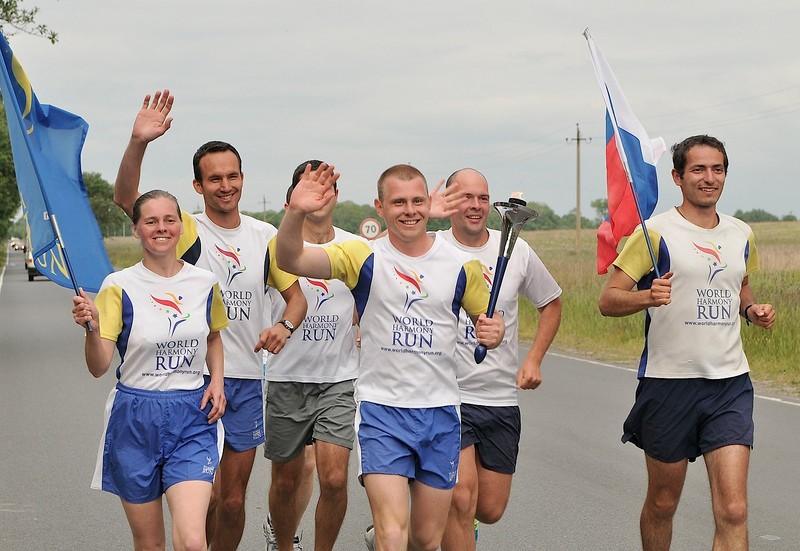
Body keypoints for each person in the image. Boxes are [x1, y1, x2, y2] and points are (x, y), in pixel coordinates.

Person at [276, 162, 506, 551]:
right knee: (393, 534)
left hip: (440, 414)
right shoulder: (362, 255)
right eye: (398, 202)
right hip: (382, 413)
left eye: (417, 201)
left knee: (426, 540)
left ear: (428, 203)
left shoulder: (460, 265)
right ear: (380, 207)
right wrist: (296, 212)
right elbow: (290, 260)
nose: (409, 210)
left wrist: (494, 331)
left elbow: (490, 320)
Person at [114, 90, 307, 551]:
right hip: (193, 380)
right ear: (198, 186)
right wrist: (139, 142)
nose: (225, 185)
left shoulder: (266, 236)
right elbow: (126, 198)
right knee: (207, 497)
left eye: (232, 176)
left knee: (233, 501)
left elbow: (296, 300)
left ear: (243, 178)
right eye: (214, 178)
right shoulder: (186, 228)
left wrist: (283, 327)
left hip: (245, 380)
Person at [598, 135, 775, 551]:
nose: (709, 178)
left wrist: (751, 310)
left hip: (730, 384)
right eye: (698, 169)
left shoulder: (741, 233)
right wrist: (647, 296)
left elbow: (740, 286)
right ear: (678, 177)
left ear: (725, 175)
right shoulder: (655, 232)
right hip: (669, 384)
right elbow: (608, 300)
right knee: (663, 503)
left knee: (734, 510)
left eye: (717, 169)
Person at [71, 190, 228, 550]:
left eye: (169, 220)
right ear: (135, 229)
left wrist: (217, 381)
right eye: (151, 221)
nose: (161, 228)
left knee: (193, 541)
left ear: (180, 226)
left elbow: (214, 337)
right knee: (150, 544)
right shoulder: (118, 286)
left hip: (192, 416)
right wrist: (92, 328)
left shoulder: (204, 283)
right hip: (135, 418)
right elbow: (98, 366)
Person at [436, 168, 562, 550]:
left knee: (489, 508)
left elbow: (551, 303)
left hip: (499, 398)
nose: (475, 205)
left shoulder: (517, 250)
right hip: (446, 395)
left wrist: (534, 359)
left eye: (483, 198)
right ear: (450, 202)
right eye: (466, 197)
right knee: (461, 497)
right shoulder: (432, 247)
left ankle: (416, 531)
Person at [262, 160, 361, 551]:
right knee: (286, 481)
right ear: (294, 196)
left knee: (334, 478)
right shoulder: (279, 246)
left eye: (327, 186)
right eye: (310, 186)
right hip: (288, 378)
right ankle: (283, 543)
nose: (320, 194)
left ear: (336, 195)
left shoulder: (355, 246)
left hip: (338, 380)